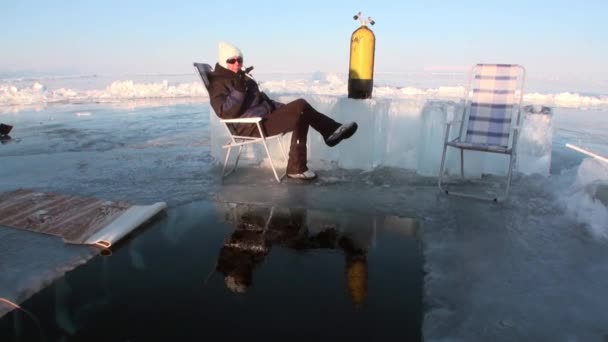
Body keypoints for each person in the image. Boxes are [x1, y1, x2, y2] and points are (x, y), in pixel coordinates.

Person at [208, 42, 358, 180]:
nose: (237, 64)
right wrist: (240, 89)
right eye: (231, 61)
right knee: (300, 106)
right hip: (250, 127)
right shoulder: (218, 82)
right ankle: (329, 132)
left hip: (263, 119)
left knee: (301, 113)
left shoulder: (243, 78)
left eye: (239, 60)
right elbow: (224, 112)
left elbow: (263, 101)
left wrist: (283, 109)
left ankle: (297, 167)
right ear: (223, 61)